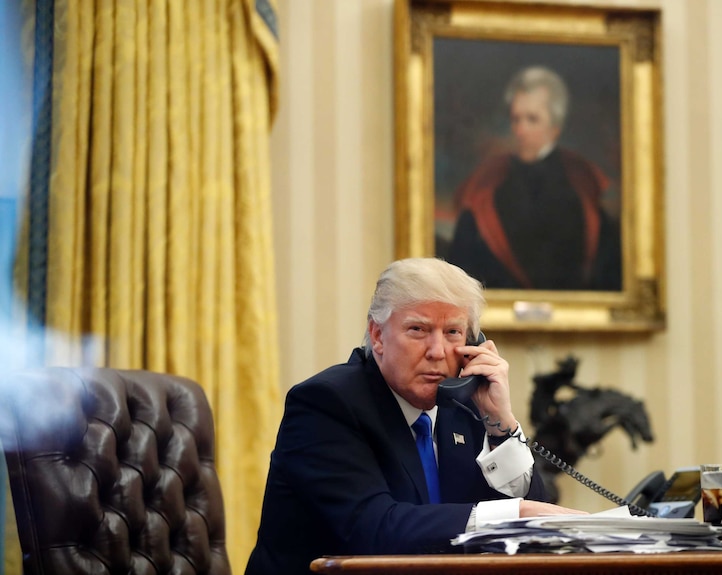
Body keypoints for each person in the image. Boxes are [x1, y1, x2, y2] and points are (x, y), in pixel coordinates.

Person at [245, 258, 584, 574]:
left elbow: (536, 530)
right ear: (378, 335)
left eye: (452, 332)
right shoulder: (327, 403)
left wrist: (501, 423)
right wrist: (515, 514)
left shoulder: (464, 404)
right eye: (418, 330)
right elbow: (375, 529)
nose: (437, 352)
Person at [447, 66, 622, 291]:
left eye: (532, 119)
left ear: (555, 127)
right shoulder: (488, 184)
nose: (520, 130)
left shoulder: (582, 185)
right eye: (516, 119)